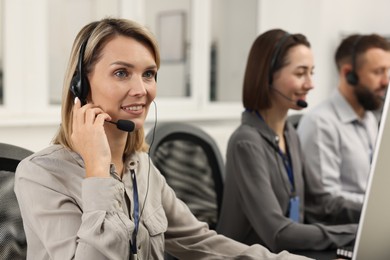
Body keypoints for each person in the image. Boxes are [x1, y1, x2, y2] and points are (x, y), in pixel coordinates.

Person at [13, 18, 310, 260]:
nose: (141, 89)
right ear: (80, 86)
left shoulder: (140, 168)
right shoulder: (40, 175)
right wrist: (98, 172)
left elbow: (201, 243)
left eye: (149, 74)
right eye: (121, 73)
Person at [216, 29, 361, 256]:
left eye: (311, 72)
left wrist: (371, 213)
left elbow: (319, 204)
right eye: (301, 73)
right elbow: (278, 233)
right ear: (268, 76)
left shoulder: (289, 134)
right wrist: (355, 232)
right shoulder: (246, 142)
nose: (311, 84)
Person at [297, 34, 390, 204]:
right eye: (378, 72)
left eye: (388, 71)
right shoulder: (321, 124)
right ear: (349, 74)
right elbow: (326, 201)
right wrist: (379, 205)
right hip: (343, 228)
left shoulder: (369, 118)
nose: (386, 81)